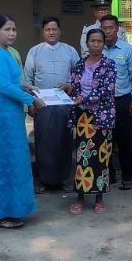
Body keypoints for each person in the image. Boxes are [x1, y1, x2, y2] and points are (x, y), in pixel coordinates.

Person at [0, 15, 43, 228]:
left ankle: (12, 210)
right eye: (7, 29)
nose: (11, 33)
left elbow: (10, 83)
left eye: (14, 29)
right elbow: (4, 87)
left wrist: (24, 88)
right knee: (1, 161)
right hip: (0, 112)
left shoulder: (7, 53)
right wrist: (32, 100)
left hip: (10, 111)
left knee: (14, 159)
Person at [23, 17, 79, 194]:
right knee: (43, 142)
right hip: (42, 104)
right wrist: (30, 104)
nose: (51, 32)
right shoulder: (35, 51)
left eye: (54, 29)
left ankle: (65, 178)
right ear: (43, 32)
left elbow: (78, 77)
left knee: (65, 141)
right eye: (48, 29)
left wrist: (69, 87)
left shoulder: (70, 51)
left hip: (64, 104)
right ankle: (45, 180)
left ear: (60, 31)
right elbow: (27, 80)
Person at [69, 29, 117, 215]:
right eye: (92, 41)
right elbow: (75, 87)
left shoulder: (109, 64)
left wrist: (84, 98)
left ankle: (99, 198)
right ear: (86, 43)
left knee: (101, 159)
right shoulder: (79, 64)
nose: (96, 44)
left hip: (102, 118)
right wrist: (67, 88)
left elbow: (107, 90)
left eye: (99, 41)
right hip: (83, 118)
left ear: (104, 44)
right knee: (82, 158)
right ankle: (80, 197)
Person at [98, 15, 132, 190]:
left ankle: (128, 176)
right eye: (104, 28)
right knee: (104, 140)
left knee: (126, 141)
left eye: (111, 28)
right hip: (101, 103)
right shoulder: (96, 49)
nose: (107, 31)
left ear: (117, 29)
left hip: (122, 101)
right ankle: (109, 174)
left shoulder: (128, 50)